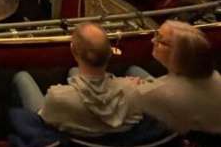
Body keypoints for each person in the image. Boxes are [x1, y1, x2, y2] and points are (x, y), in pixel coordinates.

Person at [12, 23, 143, 137]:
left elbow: (43, 119)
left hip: (71, 145)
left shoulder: (57, 97)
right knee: (73, 71)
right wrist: (133, 85)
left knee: (22, 77)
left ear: (73, 51)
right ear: (110, 53)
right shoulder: (134, 92)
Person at [131, 19, 221, 134]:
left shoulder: (160, 93)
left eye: (161, 41)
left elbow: (133, 98)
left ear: (178, 54)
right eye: (156, 34)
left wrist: (133, 87)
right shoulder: (215, 75)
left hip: (186, 141)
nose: (152, 40)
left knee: (131, 70)